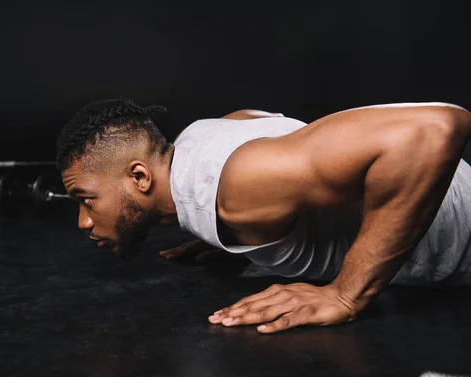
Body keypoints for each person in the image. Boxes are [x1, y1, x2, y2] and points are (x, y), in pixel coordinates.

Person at [56, 98, 471, 334]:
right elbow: (259, 122)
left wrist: (345, 293)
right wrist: (237, 236)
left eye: (86, 199)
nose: (84, 221)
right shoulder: (194, 138)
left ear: (139, 176)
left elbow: (436, 127)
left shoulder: (235, 191)